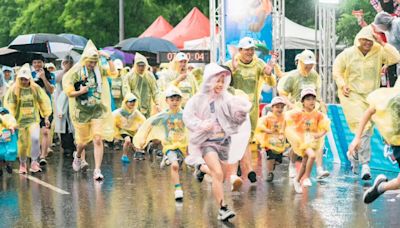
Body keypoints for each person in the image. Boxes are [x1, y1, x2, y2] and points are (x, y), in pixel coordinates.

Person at [183, 63, 251, 221]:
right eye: (217, 80)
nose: (220, 84)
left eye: (222, 80)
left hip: (225, 143)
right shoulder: (198, 100)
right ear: (208, 80)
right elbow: (187, 117)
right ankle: (222, 208)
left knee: (220, 175)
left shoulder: (227, 98)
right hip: (207, 143)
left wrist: (241, 114)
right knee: (218, 174)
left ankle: (200, 168)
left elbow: (235, 119)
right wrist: (201, 125)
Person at [333, 27, 400, 180]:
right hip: (352, 95)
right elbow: (337, 70)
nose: (368, 43)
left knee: (365, 130)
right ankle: (365, 164)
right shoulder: (348, 54)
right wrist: (342, 84)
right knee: (365, 128)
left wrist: (382, 44)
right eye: (365, 40)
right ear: (359, 40)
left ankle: (355, 156)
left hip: (371, 96)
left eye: (370, 40)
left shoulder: (378, 51)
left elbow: (396, 58)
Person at [225, 36, 276, 189]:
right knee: (236, 139)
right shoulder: (231, 64)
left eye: (252, 49)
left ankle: (243, 169)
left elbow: (272, 83)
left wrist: (268, 73)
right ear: (239, 51)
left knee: (245, 140)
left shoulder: (259, 64)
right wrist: (231, 72)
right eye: (246, 49)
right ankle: (240, 173)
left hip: (252, 110)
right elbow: (222, 84)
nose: (250, 52)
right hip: (234, 110)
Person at [62, 40, 116, 181]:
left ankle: (97, 169)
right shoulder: (76, 72)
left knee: (98, 138)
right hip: (82, 112)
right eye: (90, 62)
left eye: (94, 62)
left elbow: (113, 72)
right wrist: (79, 92)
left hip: (97, 110)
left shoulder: (99, 69)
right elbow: (68, 91)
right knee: (83, 143)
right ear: (85, 59)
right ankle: (78, 155)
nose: (92, 65)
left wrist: (108, 58)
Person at [278, 49, 330, 180]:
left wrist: (321, 103)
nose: (309, 66)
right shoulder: (292, 76)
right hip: (296, 113)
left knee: (318, 140)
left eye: (311, 63)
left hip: (312, 112)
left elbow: (317, 94)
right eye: (307, 63)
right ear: (300, 62)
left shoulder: (314, 76)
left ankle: (319, 169)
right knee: (298, 143)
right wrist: (290, 106)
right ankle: (291, 165)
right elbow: (282, 93)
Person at [348, 80, 399, 204]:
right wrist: (357, 137)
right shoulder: (392, 99)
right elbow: (369, 112)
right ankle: (381, 187)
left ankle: (380, 187)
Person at [134, 86, 188, 200]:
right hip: (169, 144)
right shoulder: (164, 115)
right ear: (167, 101)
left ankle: (166, 159)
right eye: (172, 100)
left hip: (183, 145)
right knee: (175, 166)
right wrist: (144, 138)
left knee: (184, 165)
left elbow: (193, 126)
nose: (175, 102)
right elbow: (150, 124)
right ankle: (178, 189)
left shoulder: (185, 115)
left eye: (177, 99)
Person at [4, 63, 52, 174]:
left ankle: (34, 162)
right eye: (22, 79)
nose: (24, 81)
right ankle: (22, 163)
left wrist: (46, 117)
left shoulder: (35, 88)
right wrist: (11, 122)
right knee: (22, 144)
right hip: (19, 122)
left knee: (35, 139)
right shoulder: (14, 90)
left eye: (26, 79)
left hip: (33, 120)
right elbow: (9, 106)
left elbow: (43, 102)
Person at [285, 88, 330, 193]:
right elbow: (288, 120)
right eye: (308, 99)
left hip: (312, 141)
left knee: (305, 163)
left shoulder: (318, 114)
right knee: (312, 156)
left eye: (313, 99)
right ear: (303, 102)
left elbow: (325, 127)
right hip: (302, 140)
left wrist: (319, 134)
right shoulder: (298, 113)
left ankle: (297, 180)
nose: (311, 101)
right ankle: (306, 178)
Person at [254, 96, 287, 182]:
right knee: (271, 157)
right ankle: (270, 173)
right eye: (277, 107)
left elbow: (288, 127)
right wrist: (267, 130)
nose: (279, 109)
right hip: (269, 142)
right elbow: (260, 125)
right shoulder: (267, 118)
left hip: (279, 143)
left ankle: (273, 164)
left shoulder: (284, 118)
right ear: (272, 108)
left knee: (279, 161)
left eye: (281, 107)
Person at [31, 56, 55, 166]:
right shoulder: (28, 75)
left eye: (39, 62)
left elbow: (51, 90)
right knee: (35, 133)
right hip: (33, 108)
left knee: (45, 131)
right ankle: (36, 153)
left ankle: (43, 156)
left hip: (47, 107)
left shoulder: (50, 75)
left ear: (43, 63)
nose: (37, 65)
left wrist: (44, 77)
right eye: (35, 62)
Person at [124, 53, 160, 118]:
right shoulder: (129, 76)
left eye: (143, 65)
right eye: (139, 65)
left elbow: (155, 90)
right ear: (135, 65)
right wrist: (129, 101)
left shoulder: (149, 76)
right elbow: (126, 90)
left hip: (147, 105)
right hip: (133, 106)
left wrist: (157, 103)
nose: (141, 68)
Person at [113, 93, 146, 163]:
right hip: (123, 130)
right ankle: (124, 156)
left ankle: (136, 153)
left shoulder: (135, 112)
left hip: (132, 130)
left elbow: (142, 119)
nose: (132, 103)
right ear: (126, 102)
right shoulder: (120, 111)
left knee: (134, 143)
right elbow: (112, 116)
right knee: (127, 140)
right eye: (130, 101)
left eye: (134, 101)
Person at [55, 56, 76, 157]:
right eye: (66, 62)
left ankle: (75, 145)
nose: (69, 64)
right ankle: (67, 147)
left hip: (73, 100)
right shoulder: (60, 75)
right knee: (65, 126)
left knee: (74, 124)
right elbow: (57, 87)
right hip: (62, 102)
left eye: (70, 62)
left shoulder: (76, 73)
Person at [374, 12, 400, 80]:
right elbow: (392, 49)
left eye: (380, 26)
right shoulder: (387, 31)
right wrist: (387, 64)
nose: (380, 28)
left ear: (384, 22)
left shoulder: (397, 23)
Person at [0, 107, 17, 175]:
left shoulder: (7, 118)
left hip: (5, 133)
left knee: (2, 152)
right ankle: (8, 165)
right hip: (6, 133)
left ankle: (3, 167)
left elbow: (12, 125)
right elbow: (13, 125)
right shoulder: (10, 117)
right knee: (7, 150)